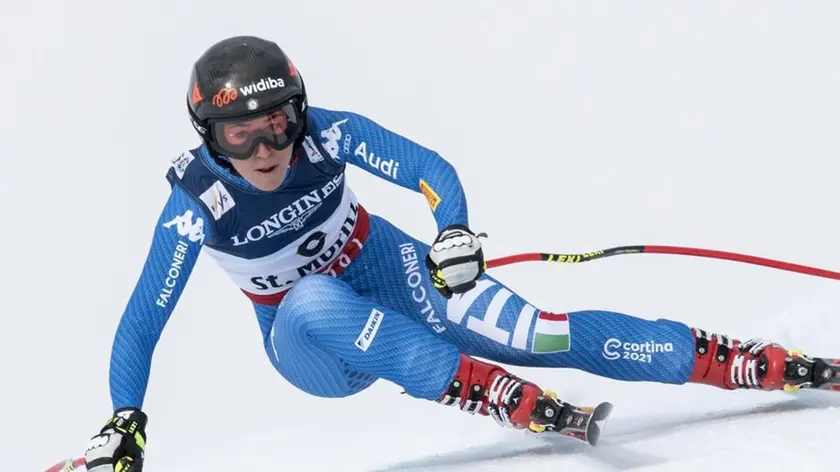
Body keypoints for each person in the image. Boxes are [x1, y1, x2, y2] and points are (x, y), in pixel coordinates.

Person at [82, 35, 824, 472]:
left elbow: (428, 170)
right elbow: (142, 321)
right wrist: (125, 418)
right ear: (209, 138)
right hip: (312, 345)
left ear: (299, 113)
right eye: (239, 136)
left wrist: (453, 236)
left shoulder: (327, 136)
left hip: (388, 267)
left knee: (542, 332)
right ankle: (479, 386)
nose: (266, 148)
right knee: (308, 296)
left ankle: (730, 360)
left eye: (276, 124)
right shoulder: (195, 207)